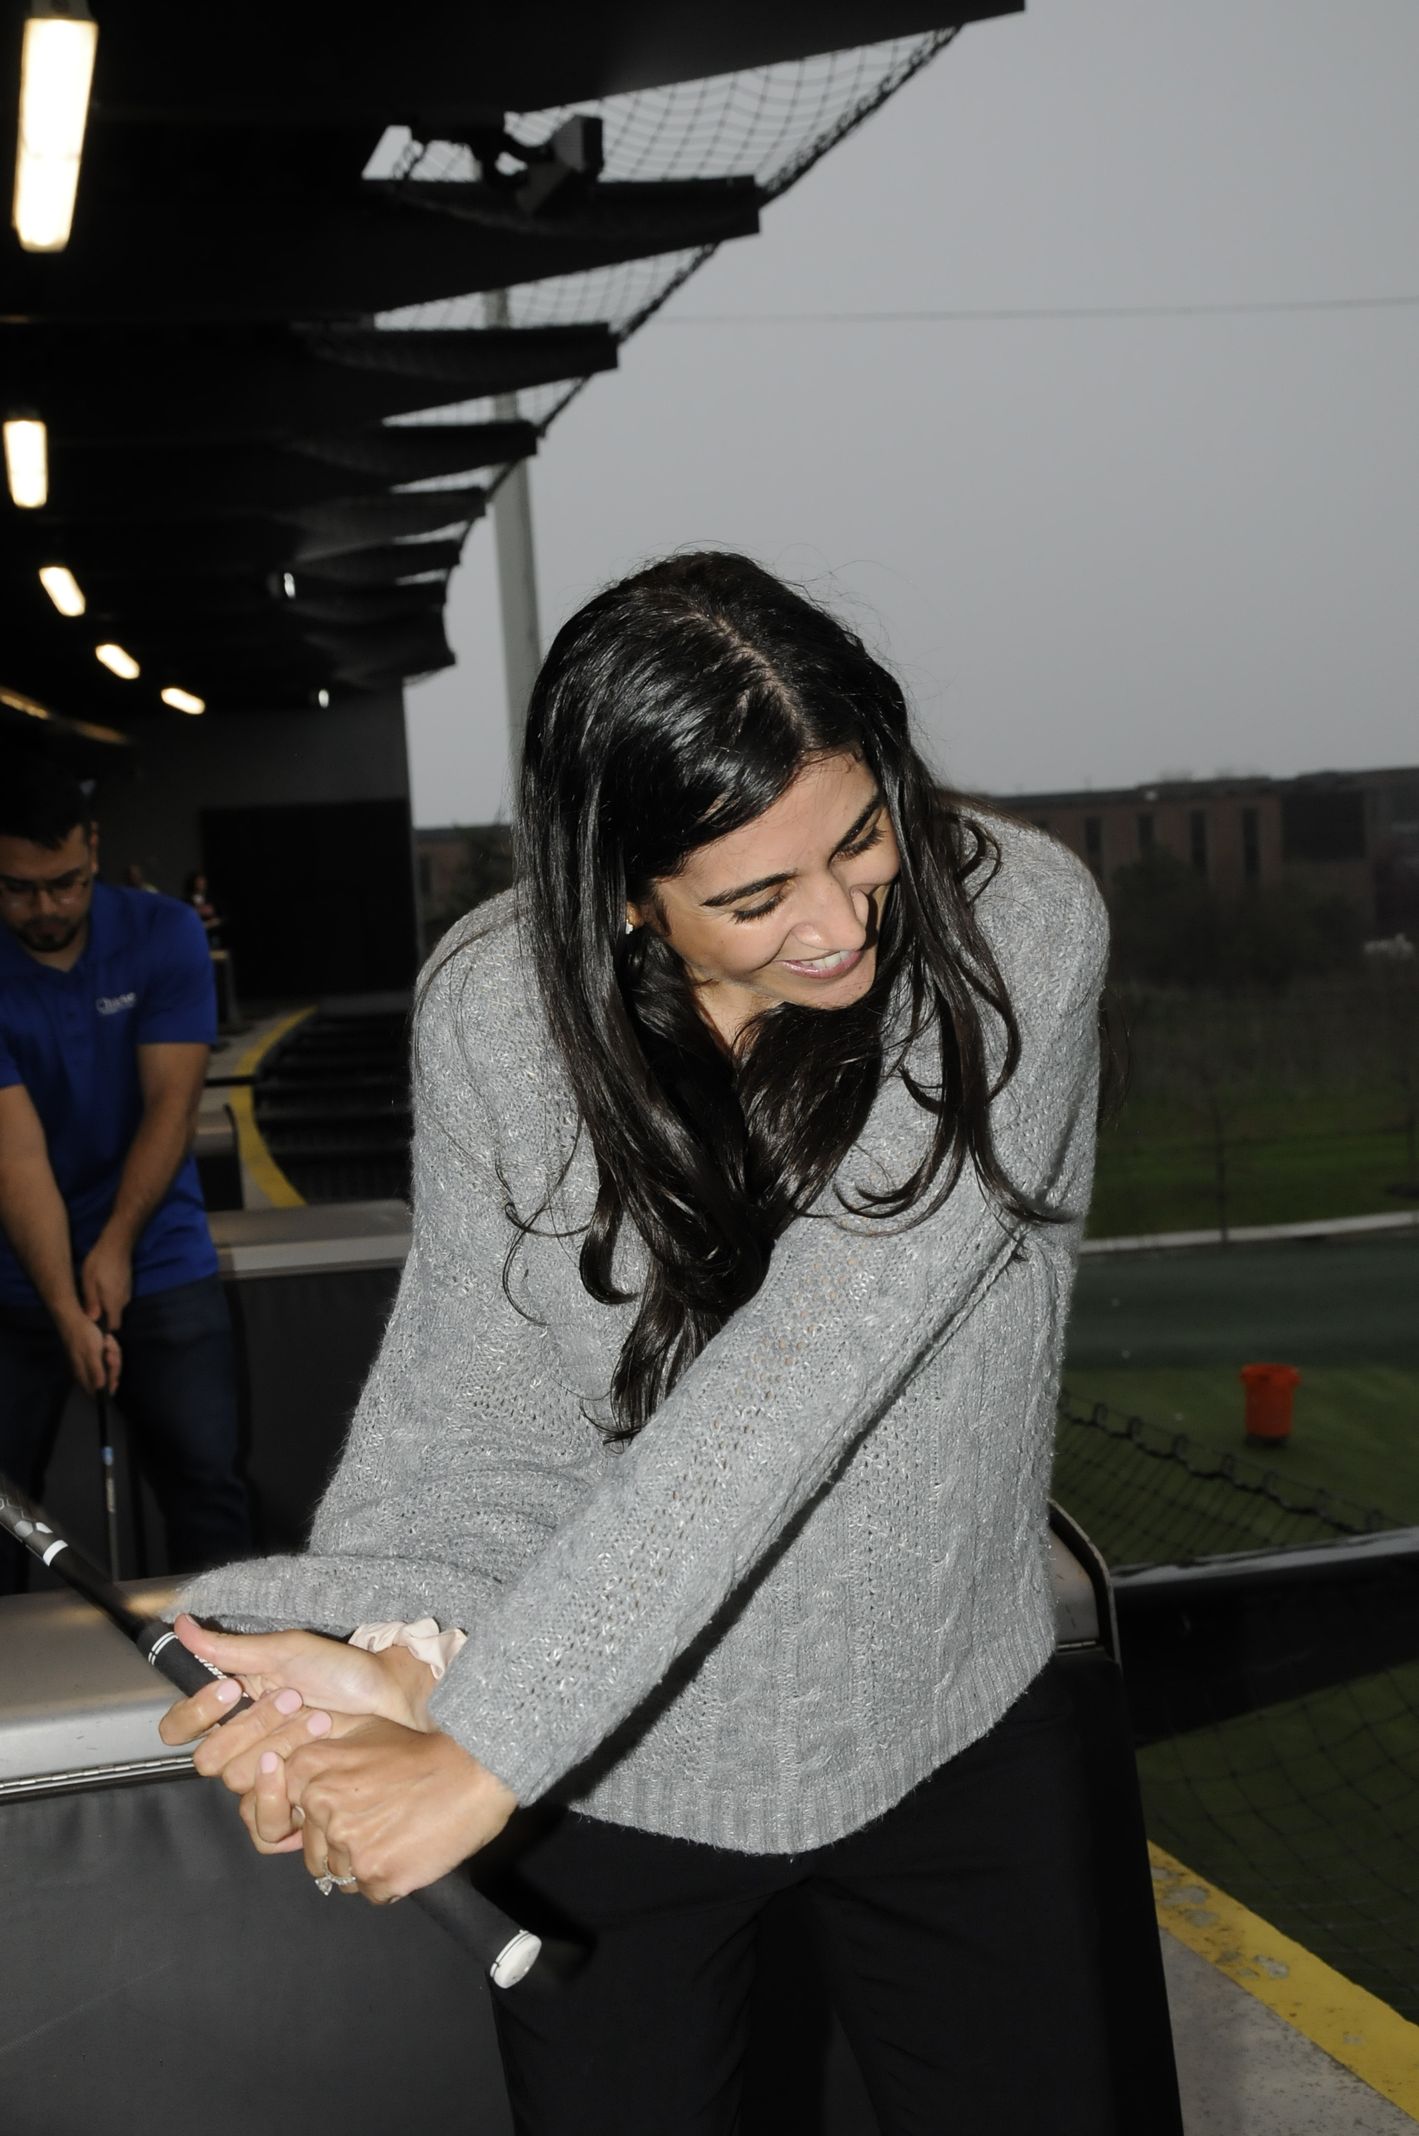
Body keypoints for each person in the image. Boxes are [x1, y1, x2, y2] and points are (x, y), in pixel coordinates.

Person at [160, 553, 1114, 2134]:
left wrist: (478, 1749)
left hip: (937, 1720)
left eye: (860, 836)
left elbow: (808, 1366)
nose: (839, 922)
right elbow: (475, 1418)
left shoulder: (1011, 929)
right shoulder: (495, 1009)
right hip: (613, 1756)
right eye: (753, 897)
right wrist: (401, 1659)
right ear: (620, 892)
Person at [0, 767, 251, 1590]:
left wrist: (114, 1245)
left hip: (159, 1253)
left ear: (94, 849)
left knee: (207, 1489)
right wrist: (65, 1307)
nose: (45, 908)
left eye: (66, 883)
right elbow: (15, 1156)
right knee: (3, 1505)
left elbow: (170, 1109)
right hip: (14, 1271)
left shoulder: (163, 932)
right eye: (18, 890)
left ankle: (227, 1655)